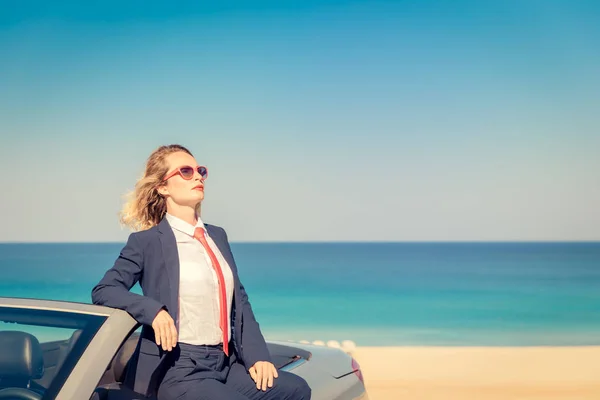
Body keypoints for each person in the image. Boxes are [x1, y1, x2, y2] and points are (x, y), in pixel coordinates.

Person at [92, 144, 311, 400]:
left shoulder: (217, 235)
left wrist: (258, 356)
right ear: (163, 187)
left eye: (200, 170)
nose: (197, 176)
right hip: (178, 367)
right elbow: (104, 290)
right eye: (185, 171)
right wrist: (153, 311)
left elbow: (239, 302)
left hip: (225, 363)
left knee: (296, 390)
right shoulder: (147, 242)